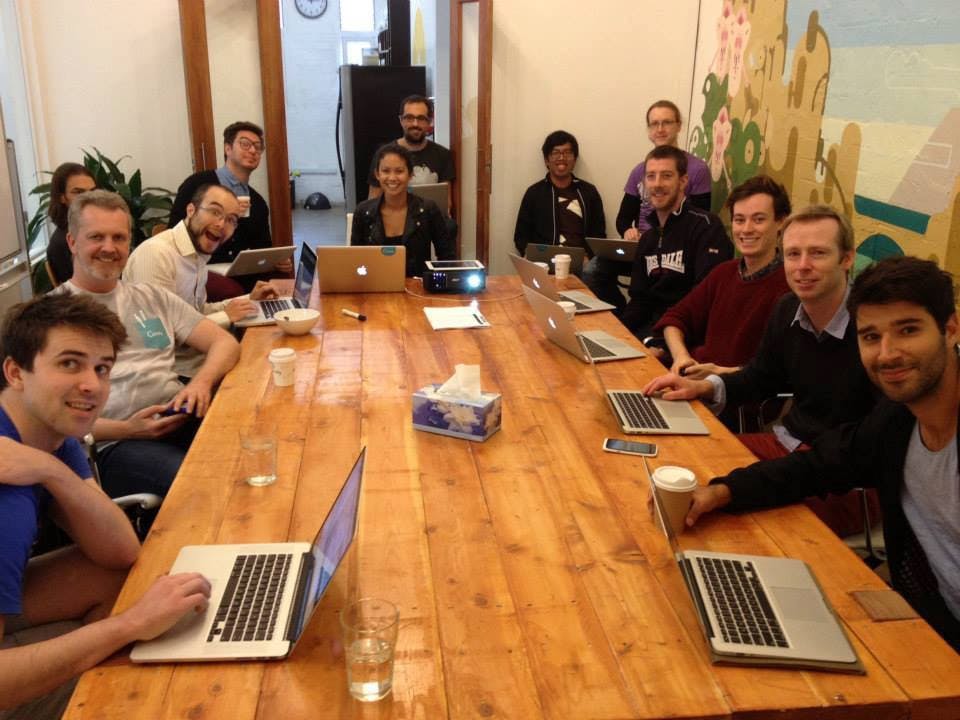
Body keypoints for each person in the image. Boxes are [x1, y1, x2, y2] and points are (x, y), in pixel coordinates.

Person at [683, 256, 960, 652]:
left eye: (908, 330)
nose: (888, 353)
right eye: (870, 336)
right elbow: (816, 467)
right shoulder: (896, 423)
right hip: (929, 621)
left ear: (950, 329)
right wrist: (722, 492)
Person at [0, 293, 211, 715]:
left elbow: (118, 553)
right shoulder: (7, 509)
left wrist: (51, 470)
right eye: (69, 363)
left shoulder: (44, 436)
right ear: (16, 372)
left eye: (102, 368)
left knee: (116, 579)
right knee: (135, 667)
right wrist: (129, 627)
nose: (92, 385)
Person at [643, 204, 878, 536]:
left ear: (847, 259)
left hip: (843, 480)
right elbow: (761, 377)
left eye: (818, 254)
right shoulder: (788, 309)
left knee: (728, 522)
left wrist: (734, 490)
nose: (803, 266)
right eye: (793, 254)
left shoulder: (873, 332)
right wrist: (704, 387)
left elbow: (856, 455)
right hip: (784, 448)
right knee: (682, 473)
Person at [54, 190, 240, 500]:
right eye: (96, 237)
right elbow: (47, 421)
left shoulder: (151, 297)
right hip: (112, 445)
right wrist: (128, 429)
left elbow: (224, 343)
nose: (109, 248)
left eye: (119, 238)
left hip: (175, 416)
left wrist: (199, 385)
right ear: (73, 243)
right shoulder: (54, 317)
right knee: (203, 487)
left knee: (255, 447)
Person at [123, 184, 278, 375]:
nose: (221, 224)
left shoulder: (198, 254)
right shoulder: (156, 255)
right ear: (191, 210)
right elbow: (157, 338)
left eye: (231, 220)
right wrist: (226, 317)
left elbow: (195, 312)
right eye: (214, 212)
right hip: (177, 375)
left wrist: (249, 300)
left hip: (208, 357)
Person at [652, 175, 791, 378]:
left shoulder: (790, 288)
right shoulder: (724, 273)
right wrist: (681, 357)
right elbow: (675, 318)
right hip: (692, 381)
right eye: (739, 220)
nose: (746, 229)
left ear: (781, 222)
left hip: (736, 400)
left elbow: (779, 375)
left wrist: (719, 374)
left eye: (759, 219)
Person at [585, 100, 713, 309]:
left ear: (679, 126)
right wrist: (628, 231)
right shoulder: (639, 170)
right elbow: (623, 218)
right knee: (593, 270)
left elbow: (701, 218)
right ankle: (620, 317)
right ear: (649, 130)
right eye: (654, 124)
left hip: (675, 251)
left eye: (666, 122)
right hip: (639, 247)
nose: (660, 129)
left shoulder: (697, 170)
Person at [618, 145, 732, 339]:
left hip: (683, 339)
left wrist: (663, 345)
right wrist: (618, 335)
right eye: (651, 176)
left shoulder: (706, 227)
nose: (657, 184)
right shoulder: (648, 239)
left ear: (683, 181)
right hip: (649, 333)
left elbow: (704, 301)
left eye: (666, 176)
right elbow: (639, 301)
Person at [168, 121, 291, 296]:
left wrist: (275, 261)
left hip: (241, 273)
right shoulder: (197, 184)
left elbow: (263, 247)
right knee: (234, 290)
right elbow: (174, 230)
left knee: (278, 287)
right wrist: (226, 216)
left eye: (258, 147)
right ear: (228, 149)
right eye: (245, 144)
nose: (253, 150)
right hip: (200, 268)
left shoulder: (258, 202)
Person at [352, 143, 454, 277]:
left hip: (418, 289)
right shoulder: (363, 212)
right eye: (386, 171)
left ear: (410, 174)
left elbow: (446, 257)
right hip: (375, 288)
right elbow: (354, 260)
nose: (392, 178)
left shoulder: (428, 209)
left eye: (399, 171)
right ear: (377, 174)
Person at [512, 130, 607, 267]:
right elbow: (521, 236)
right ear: (546, 160)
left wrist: (590, 257)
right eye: (556, 153)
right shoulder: (534, 193)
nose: (562, 157)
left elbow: (599, 234)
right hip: (543, 263)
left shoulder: (588, 192)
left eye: (567, 152)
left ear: (574, 159)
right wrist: (528, 254)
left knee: (596, 274)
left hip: (582, 263)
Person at [367, 95, 455, 200]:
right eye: (409, 118)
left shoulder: (443, 155)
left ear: (429, 121)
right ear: (401, 120)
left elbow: (446, 202)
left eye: (421, 118)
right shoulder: (383, 154)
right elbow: (373, 200)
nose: (415, 124)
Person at [44, 162, 97, 286]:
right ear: (62, 197)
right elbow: (83, 295)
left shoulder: (90, 229)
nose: (89, 198)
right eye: (78, 192)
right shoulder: (62, 243)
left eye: (92, 191)